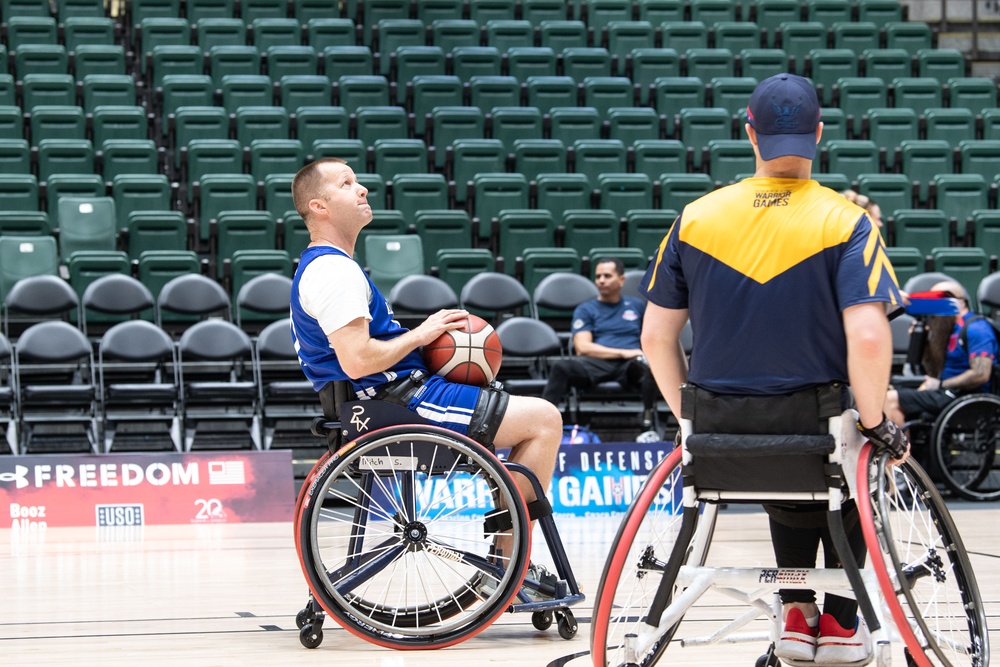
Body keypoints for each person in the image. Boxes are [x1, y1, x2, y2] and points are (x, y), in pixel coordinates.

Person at [638, 73, 909, 665]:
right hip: (815, 424)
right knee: (854, 457)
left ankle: (794, 611)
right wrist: (873, 422)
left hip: (719, 429)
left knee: (779, 475)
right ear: (819, 132)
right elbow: (867, 336)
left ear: (749, 131)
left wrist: (688, 417)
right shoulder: (845, 221)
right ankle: (838, 624)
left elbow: (655, 337)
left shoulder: (696, 217)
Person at [288, 157, 562, 578]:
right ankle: (510, 566)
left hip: (385, 400)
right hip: (396, 405)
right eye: (346, 183)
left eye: (357, 181)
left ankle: (504, 559)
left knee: (520, 415)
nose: (361, 189)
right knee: (544, 419)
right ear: (318, 206)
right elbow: (357, 359)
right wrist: (421, 334)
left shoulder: (327, 266)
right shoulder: (332, 271)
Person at [540, 258, 661, 430]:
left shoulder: (636, 306)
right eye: (598, 276)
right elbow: (583, 347)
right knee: (561, 367)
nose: (601, 280)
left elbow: (651, 337)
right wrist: (622, 352)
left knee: (651, 366)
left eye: (607, 276)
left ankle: (648, 422)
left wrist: (637, 355)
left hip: (630, 366)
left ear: (621, 280)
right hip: (596, 363)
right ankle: (543, 422)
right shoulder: (586, 309)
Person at [884, 280, 998, 427]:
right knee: (890, 391)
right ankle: (908, 445)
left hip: (964, 396)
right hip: (946, 393)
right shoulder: (948, 329)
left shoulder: (977, 329)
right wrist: (923, 343)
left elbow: (981, 374)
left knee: (891, 399)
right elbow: (933, 371)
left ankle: (902, 449)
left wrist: (941, 384)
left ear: (959, 303)